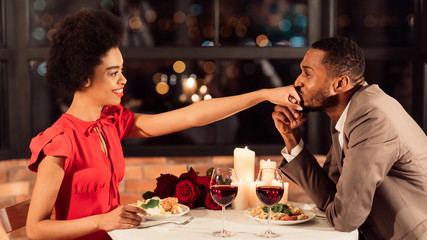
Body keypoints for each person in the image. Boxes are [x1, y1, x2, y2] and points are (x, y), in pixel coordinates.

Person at [25, 8, 302, 240]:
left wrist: (263, 95)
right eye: (113, 73)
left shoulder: (110, 122)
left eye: (122, 70)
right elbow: (35, 229)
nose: (123, 80)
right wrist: (102, 221)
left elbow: (193, 116)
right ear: (84, 77)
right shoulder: (59, 141)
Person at [272, 36, 427, 240]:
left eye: (307, 73)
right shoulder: (350, 112)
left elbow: (345, 218)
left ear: (340, 83)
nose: (297, 81)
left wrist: (336, 207)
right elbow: (330, 196)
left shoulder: (370, 116)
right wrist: (291, 138)